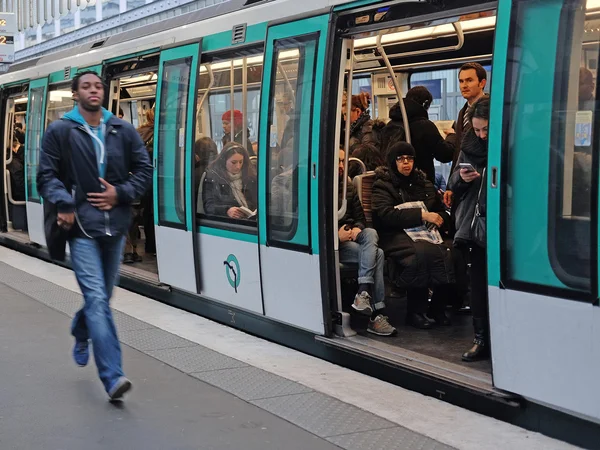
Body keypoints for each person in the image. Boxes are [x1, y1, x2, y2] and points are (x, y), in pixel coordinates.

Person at [37, 71, 153, 400]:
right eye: (86, 86)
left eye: (98, 86)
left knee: (102, 298)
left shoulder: (121, 129)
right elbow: (46, 176)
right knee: (99, 300)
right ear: (75, 94)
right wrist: (63, 202)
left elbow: (144, 168)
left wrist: (121, 193)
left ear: (103, 92)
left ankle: (80, 328)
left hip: (116, 226)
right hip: (82, 226)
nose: (93, 90)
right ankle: (113, 376)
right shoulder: (60, 130)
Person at [372, 142, 455, 329]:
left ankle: (438, 307)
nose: (406, 163)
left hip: (426, 232)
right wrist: (421, 215)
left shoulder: (423, 182)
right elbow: (385, 214)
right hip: (395, 233)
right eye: (401, 159)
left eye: (409, 159)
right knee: (422, 254)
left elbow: (439, 209)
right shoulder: (383, 184)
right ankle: (416, 311)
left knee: (452, 251)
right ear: (393, 162)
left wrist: (440, 218)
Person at [447, 97, 490, 361]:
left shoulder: (508, 144)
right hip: (475, 224)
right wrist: (462, 180)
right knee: (478, 284)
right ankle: (480, 337)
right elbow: (453, 181)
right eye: (476, 130)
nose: (482, 135)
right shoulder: (469, 147)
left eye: (486, 129)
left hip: (500, 222)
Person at [338, 148, 396, 336]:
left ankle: (363, 295)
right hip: (336, 242)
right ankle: (377, 313)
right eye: (336, 162)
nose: (340, 167)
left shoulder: (348, 186)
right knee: (378, 255)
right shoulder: (316, 187)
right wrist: (336, 235)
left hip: (352, 236)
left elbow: (361, 217)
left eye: (342, 162)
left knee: (370, 231)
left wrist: (357, 227)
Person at [443, 62, 488, 208]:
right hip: (463, 182)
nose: (464, 85)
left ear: (482, 83)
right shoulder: (463, 113)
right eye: (461, 81)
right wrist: (451, 184)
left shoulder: (491, 111)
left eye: (469, 80)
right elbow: (459, 152)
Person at [396, 86, 455, 184]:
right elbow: (445, 155)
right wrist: (452, 136)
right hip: (420, 184)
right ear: (425, 105)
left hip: (397, 184)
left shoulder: (392, 124)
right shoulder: (424, 126)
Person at [203, 142, 257, 220]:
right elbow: (209, 206)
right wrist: (227, 210)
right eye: (233, 162)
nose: (238, 166)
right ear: (224, 161)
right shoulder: (213, 177)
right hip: (228, 222)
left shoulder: (250, 177)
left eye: (241, 162)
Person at [138, 108, 156, 256]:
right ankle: (153, 244)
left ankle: (150, 244)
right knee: (152, 210)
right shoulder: (160, 133)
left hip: (145, 177)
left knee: (148, 211)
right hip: (153, 177)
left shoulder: (141, 132)